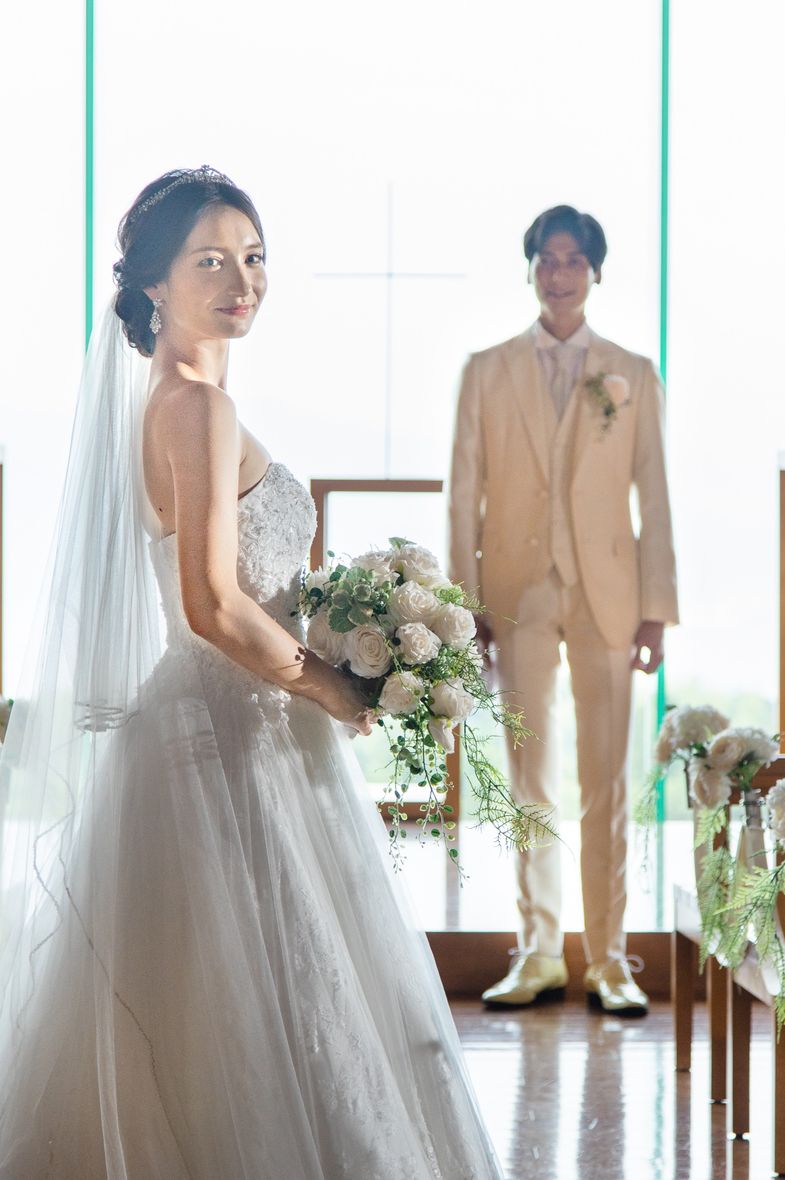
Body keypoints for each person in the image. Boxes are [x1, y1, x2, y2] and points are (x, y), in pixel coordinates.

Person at [0, 167, 503, 1178]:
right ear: (154, 284)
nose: (242, 280)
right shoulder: (194, 407)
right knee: (264, 1005)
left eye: (254, 255)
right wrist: (329, 683)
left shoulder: (172, 401)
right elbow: (210, 603)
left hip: (213, 722)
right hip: (234, 731)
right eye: (211, 261)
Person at [448, 205, 678, 1014]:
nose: (558, 273)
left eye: (573, 259)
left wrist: (655, 610)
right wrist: (465, 605)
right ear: (530, 269)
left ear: (594, 271)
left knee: (606, 781)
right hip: (515, 595)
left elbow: (654, 495)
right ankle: (538, 951)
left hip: (610, 598)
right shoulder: (485, 370)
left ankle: (608, 961)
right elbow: (463, 495)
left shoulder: (631, 373)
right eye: (546, 259)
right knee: (527, 776)